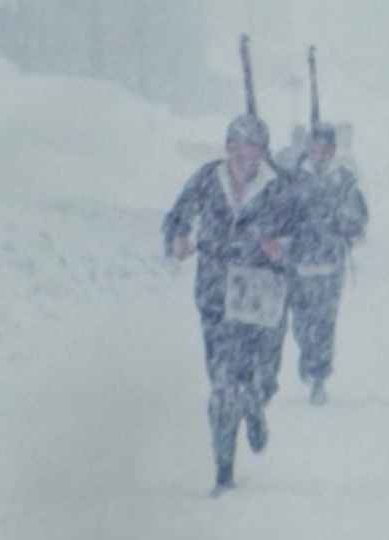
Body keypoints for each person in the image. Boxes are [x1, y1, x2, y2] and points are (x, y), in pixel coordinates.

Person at [162, 114, 297, 496]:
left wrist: (281, 248)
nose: (245, 159)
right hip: (216, 291)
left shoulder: (282, 188)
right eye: (239, 149)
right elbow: (178, 216)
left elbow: (304, 236)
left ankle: (255, 404)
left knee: (261, 378)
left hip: (262, 294)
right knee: (222, 383)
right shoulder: (207, 179)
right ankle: (223, 468)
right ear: (228, 148)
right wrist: (178, 239)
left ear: (264, 154)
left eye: (254, 152)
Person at [287, 122, 369, 405]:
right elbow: (281, 213)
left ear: (333, 151)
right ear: (307, 148)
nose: (319, 154)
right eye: (315, 148)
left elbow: (360, 217)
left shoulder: (344, 180)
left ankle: (319, 375)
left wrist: (346, 223)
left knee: (324, 322)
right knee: (300, 320)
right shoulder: (293, 179)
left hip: (330, 263)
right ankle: (307, 356)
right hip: (298, 263)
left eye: (325, 149)